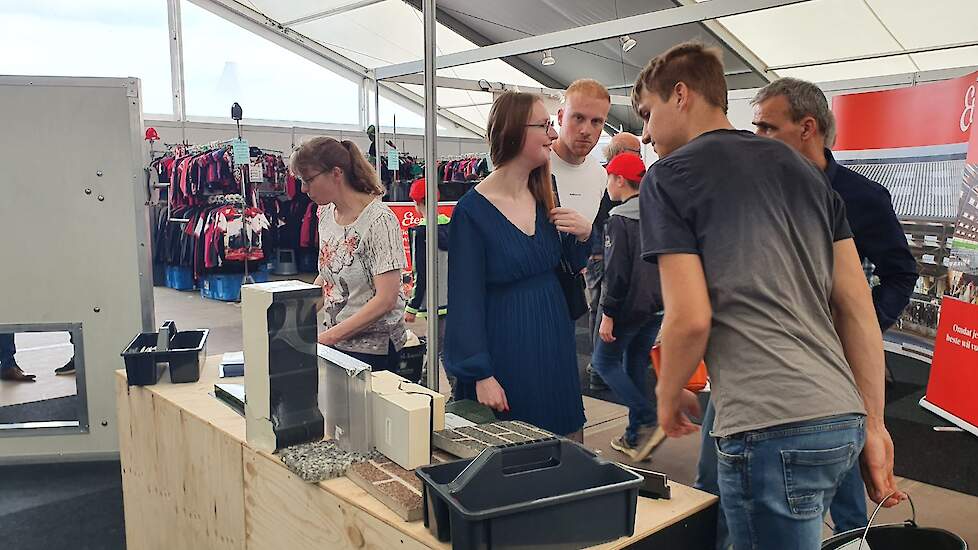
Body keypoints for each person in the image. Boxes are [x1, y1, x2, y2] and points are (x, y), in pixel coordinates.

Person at [635, 42, 903, 549]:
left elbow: (690, 318)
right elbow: (857, 308)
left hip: (768, 427)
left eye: (647, 115)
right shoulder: (805, 172)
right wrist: (873, 423)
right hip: (838, 417)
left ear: (681, 94)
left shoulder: (668, 178)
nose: (645, 133)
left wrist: (666, 397)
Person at [445, 91, 593, 439]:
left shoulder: (546, 190)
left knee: (564, 443)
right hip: (506, 348)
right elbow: (465, 301)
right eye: (544, 126)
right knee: (515, 452)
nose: (554, 135)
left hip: (554, 340)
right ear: (513, 131)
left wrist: (584, 234)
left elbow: (565, 264)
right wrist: (480, 374)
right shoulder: (471, 212)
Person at [289, 136, 408, 372]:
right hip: (336, 342)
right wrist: (297, 321)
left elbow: (386, 299)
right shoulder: (324, 213)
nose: (303, 189)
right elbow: (328, 273)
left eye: (308, 180)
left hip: (376, 352)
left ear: (336, 173)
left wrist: (328, 338)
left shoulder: (380, 221)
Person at [593, 152, 665, 461]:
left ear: (620, 180)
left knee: (603, 362)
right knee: (635, 364)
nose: (607, 184)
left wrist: (608, 313)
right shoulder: (658, 212)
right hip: (656, 307)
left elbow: (618, 273)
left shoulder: (620, 219)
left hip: (629, 308)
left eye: (609, 177)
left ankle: (647, 418)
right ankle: (636, 437)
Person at [549, 78, 613, 388]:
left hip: (566, 299)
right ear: (561, 117)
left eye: (596, 121)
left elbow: (600, 238)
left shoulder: (600, 175)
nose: (587, 129)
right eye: (578, 118)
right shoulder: (535, 163)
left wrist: (588, 234)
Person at [585, 132, 645, 392]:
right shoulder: (607, 180)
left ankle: (602, 364)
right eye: (636, 152)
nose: (640, 157)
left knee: (603, 307)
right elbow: (601, 218)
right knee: (602, 307)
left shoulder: (607, 177)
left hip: (606, 253)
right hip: (602, 254)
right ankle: (600, 367)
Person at [404, 178, 453, 392]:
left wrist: (412, 306)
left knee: (437, 348)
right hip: (454, 299)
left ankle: (430, 388)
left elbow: (420, 273)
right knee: (443, 346)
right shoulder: (453, 226)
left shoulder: (420, 233)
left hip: (433, 301)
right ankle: (428, 384)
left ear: (416, 203)